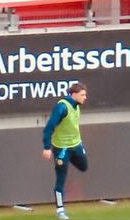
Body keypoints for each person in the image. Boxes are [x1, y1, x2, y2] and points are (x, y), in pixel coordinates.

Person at [42, 82, 89, 220]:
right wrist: (46, 147)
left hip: (76, 145)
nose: (85, 97)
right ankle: (60, 210)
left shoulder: (77, 105)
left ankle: (66, 161)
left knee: (84, 166)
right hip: (62, 148)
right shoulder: (62, 107)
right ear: (73, 94)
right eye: (82, 95)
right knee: (61, 177)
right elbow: (49, 127)